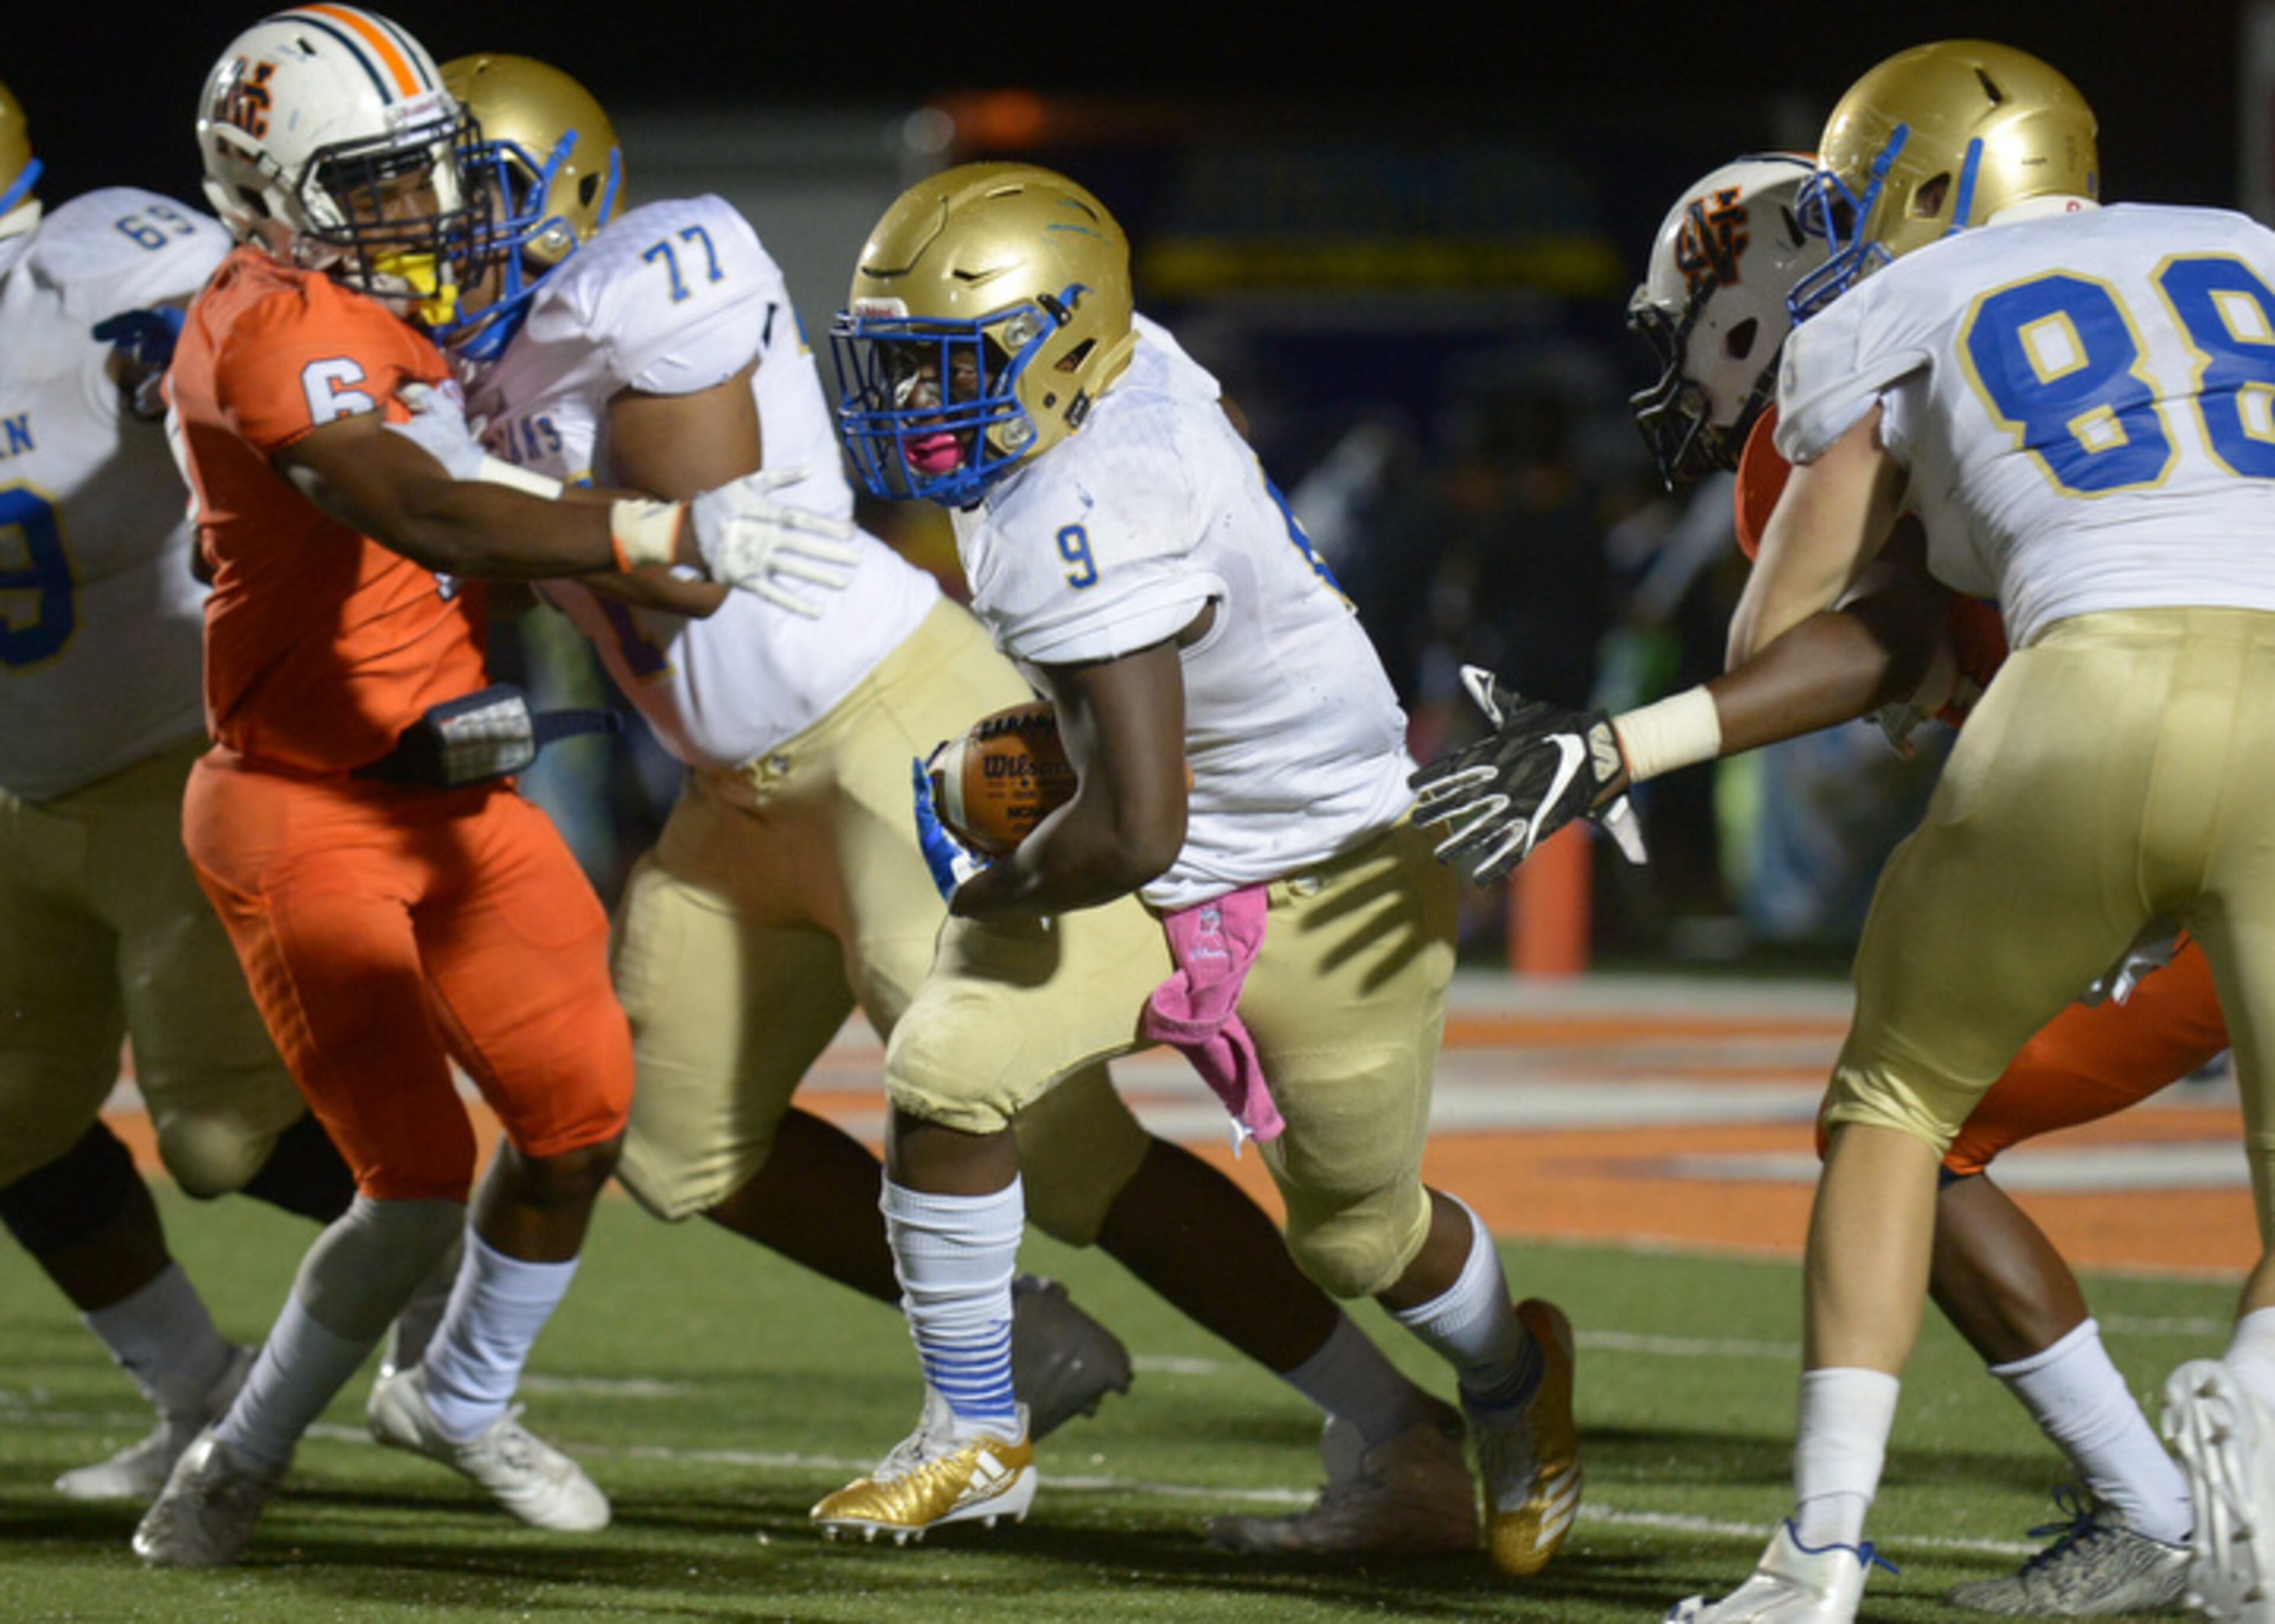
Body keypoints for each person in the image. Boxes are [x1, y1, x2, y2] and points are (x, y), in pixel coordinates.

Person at [436, 54, 1487, 1555]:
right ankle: (1022, 1344)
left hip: (895, 728)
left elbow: (675, 558)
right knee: (669, 1140)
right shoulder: (437, 363)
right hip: (731, 787)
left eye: (463, 199)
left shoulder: (649, 281)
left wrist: (450, 491)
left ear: (560, 205)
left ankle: (1400, 1432)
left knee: (1061, 1146)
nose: (423, 234)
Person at [1500, 38, 2275, 1624]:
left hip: (2095, 719)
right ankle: (2240, 1428)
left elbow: (1785, 643)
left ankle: (1821, 1552)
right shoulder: (2246, 252)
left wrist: (1638, 735)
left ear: (1926, 187)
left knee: (1899, 1110)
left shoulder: (1889, 315)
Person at [130, 5, 855, 1569]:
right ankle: (231, 1465)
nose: (425, 214)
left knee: (583, 1113)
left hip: (459, 796)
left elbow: (466, 509)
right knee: (410, 1185)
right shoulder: (277, 322)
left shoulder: (383, 309)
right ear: (269, 197)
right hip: (303, 806)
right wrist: (652, 531)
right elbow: (418, 499)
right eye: (376, 187)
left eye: (427, 177)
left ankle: (460, 1396)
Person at [816, 161, 1581, 1576]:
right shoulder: (1123, 363)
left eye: (949, 371)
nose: (915, 409)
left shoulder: (1077, 503)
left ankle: (1512, 1386)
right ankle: (973, 1427)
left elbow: (1136, 832)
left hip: (1330, 863)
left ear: (1058, 349)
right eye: (897, 372)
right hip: (1176, 842)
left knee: (1362, 1236)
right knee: (948, 1063)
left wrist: (988, 881)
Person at [0, 71, 456, 1507]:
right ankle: (196, 1391)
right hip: (19, 790)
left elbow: (243, 324)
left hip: (171, 760)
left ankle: (458, 1244)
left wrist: (178, 368)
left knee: (220, 1132)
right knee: (6, 1116)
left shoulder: (97, 254)